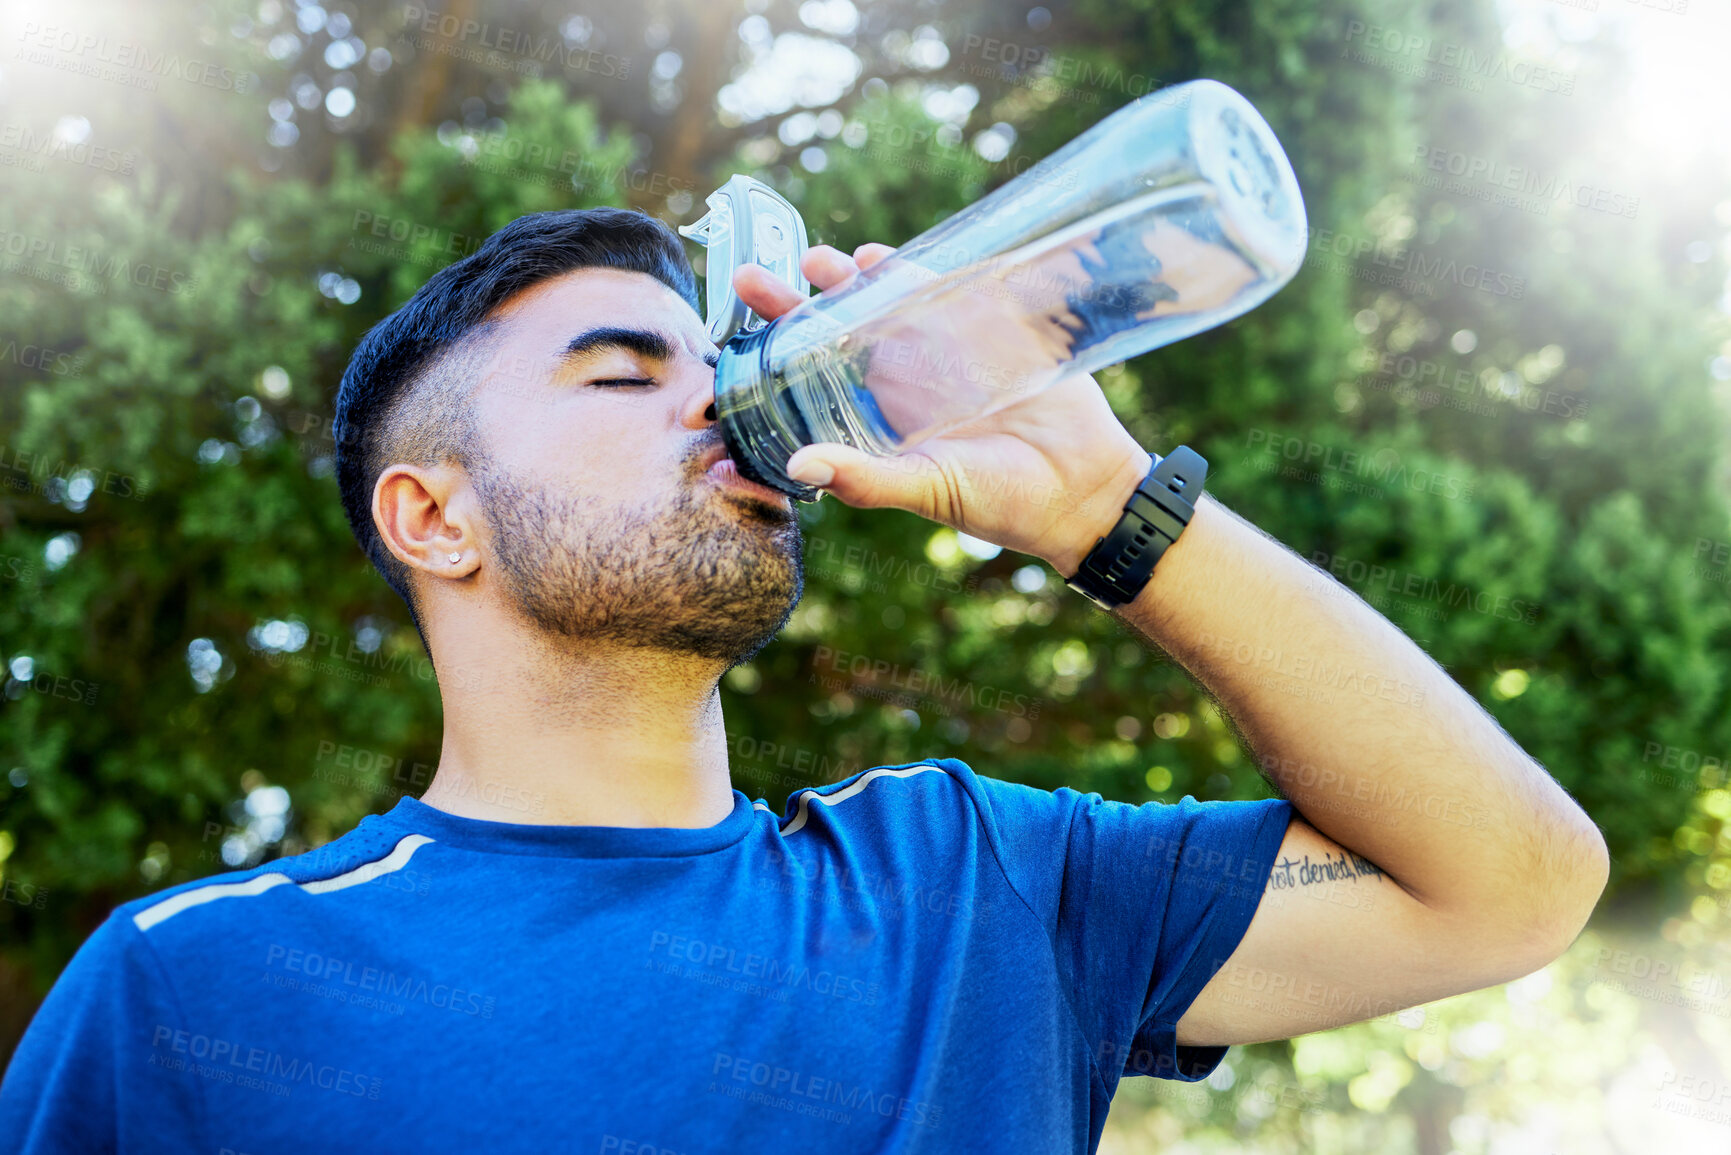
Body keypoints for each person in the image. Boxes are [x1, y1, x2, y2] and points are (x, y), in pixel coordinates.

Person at [0, 207, 1607, 1154]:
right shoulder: (189, 992)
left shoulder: (977, 886)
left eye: (721, 368)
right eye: (627, 376)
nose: (721, 412)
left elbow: (1513, 887)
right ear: (435, 516)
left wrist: (1108, 510)